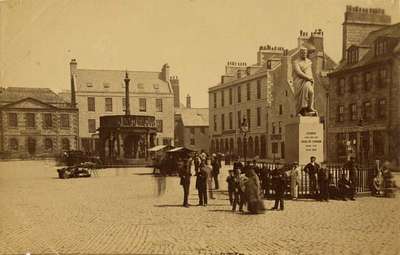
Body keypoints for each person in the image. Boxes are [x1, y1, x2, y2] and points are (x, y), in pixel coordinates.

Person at [293, 47, 317, 116]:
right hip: (300, 81)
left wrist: (311, 79)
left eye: (305, 53)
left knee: (311, 92)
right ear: (300, 53)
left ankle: (310, 107)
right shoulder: (296, 62)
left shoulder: (309, 62)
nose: (304, 54)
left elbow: (310, 72)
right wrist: (308, 78)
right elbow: (298, 73)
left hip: (308, 81)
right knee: (304, 93)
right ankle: (301, 109)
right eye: (302, 53)